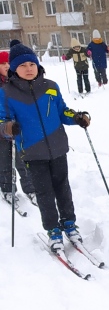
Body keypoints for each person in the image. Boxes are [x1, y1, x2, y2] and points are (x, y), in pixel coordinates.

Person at [0, 43, 91, 251]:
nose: (29, 68)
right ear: (14, 68)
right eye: (22, 65)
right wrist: (8, 128)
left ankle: (69, 224)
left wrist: (76, 117)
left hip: (58, 148)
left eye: (32, 63)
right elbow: (1, 122)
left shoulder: (51, 86)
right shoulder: (6, 93)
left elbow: (62, 112)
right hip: (32, 153)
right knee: (44, 193)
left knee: (63, 189)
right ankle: (53, 230)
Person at [0, 47, 36, 207]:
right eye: (2, 63)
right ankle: (8, 190)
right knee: (5, 160)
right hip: (2, 129)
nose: (6, 66)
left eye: (8, 62)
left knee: (23, 160)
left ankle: (31, 189)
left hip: (18, 127)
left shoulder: (16, 80)